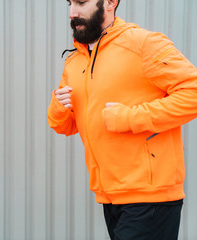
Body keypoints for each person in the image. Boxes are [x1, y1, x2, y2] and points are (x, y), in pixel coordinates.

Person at [47, 0, 197, 239]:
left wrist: (129, 118)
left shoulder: (144, 44)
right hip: (111, 195)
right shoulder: (75, 60)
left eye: (81, 2)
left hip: (151, 197)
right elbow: (65, 125)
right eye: (69, 4)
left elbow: (193, 94)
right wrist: (57, 107)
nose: (72, 13)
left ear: (110, 2)